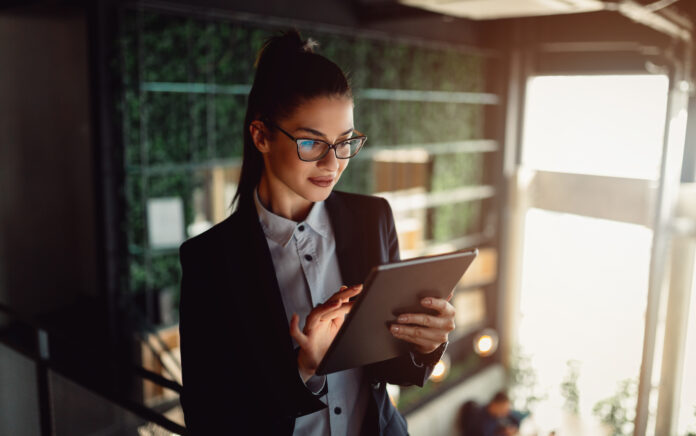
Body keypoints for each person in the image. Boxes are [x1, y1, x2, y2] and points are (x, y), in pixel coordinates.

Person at [178, 29, 457, 435]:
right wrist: (303, 370)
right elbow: (209, 416)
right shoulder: (211, 260)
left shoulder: (373, 218)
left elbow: (389, 366)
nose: (333, 163)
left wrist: (425, 343)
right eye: (311, 143)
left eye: (345, 142)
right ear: (261, 136)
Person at [459, 391, 528, 436]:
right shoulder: (480, 418)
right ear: (495, 404)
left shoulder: (494, 416)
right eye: (504, 409)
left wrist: (506, 430)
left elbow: (515, 418)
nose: (506, 413)